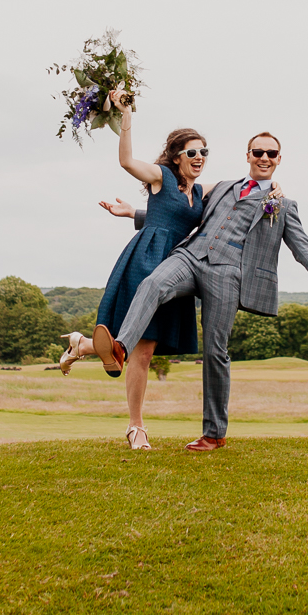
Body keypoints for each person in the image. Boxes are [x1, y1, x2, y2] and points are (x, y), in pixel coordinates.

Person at [102, 130, 308, 452]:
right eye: (258, 152)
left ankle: (213, 434)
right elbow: (179, 210)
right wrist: (136, 214)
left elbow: (303, 249)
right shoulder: (223, 188)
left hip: (228, 274)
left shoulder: (282, 204)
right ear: (248, 155)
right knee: (152, 283)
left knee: (215, 349)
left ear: (279, 160)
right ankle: (119, 348)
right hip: (190, 254)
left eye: (271, 153)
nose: (264, 158)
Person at [54, 90, 209, 450]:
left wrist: (271, 186)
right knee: (140, 350)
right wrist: (125, 115)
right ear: (175, 155)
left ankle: (84, 345)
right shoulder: (161, 176)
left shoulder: (202, 191)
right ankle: (136, 428)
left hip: (177, 270)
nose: (199, 157)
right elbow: (126, 161)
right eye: (192, 152)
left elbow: (236, 192)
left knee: (145, 347)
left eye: (204, 151)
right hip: (145, 261)